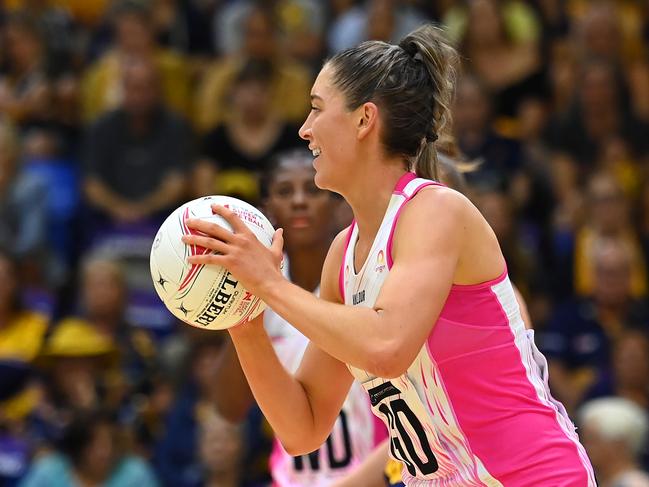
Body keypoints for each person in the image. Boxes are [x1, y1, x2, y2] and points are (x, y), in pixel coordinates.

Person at [182, 24, 595, 485]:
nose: (304, 129)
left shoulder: (435, 209)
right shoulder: (343, 254)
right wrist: (246, 320)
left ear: (364, 120)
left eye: (317, 109)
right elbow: (302, 429)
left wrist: (270, 284)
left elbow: (387, 347)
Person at [213, 149, 384, 486]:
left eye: (313, 190)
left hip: (373, 473)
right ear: (265, 210)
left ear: (339, 207)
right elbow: (229, 408)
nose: (300, 202)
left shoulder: (363, 280)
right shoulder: (255, 291)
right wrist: (246, 304)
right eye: (285, 192)